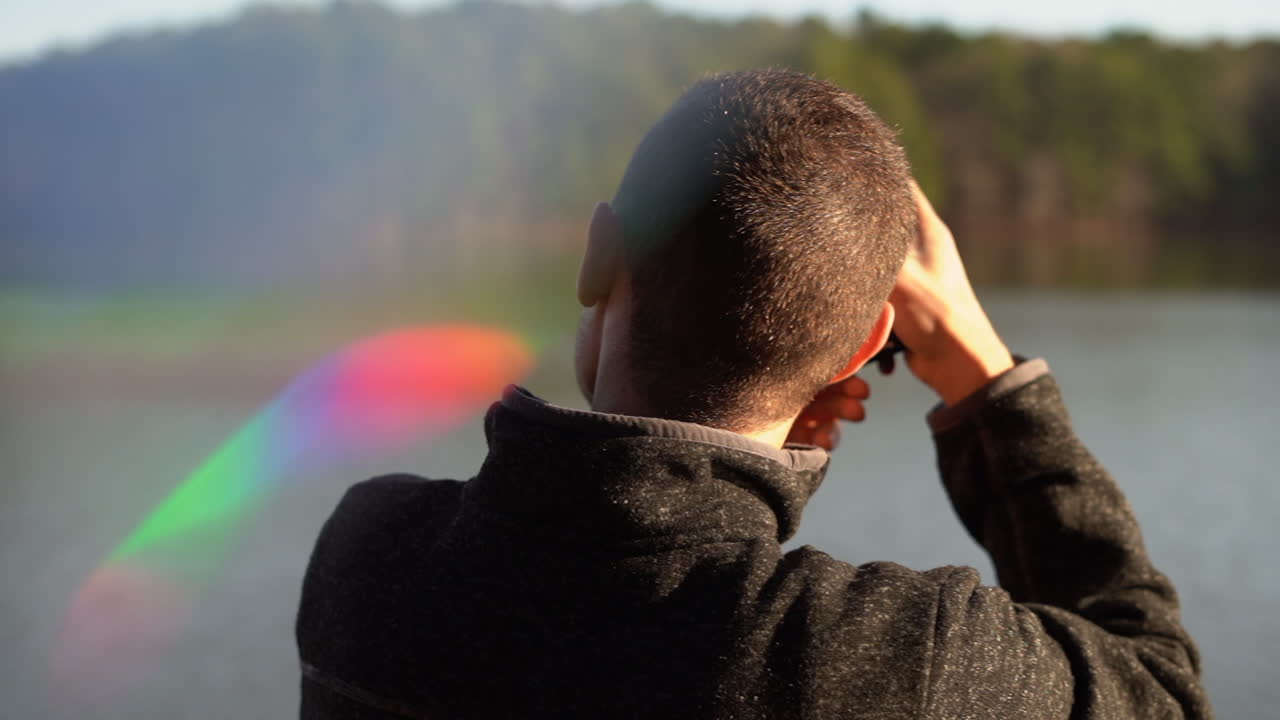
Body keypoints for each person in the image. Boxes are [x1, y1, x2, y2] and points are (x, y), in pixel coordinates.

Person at [295, 70, 1211, 719]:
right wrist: (986, 382)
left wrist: (747, 466)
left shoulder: (370, 559)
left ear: (598, 255)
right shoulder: (902, 655)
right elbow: (1159, 691)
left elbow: (615, 606)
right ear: (861, 346)